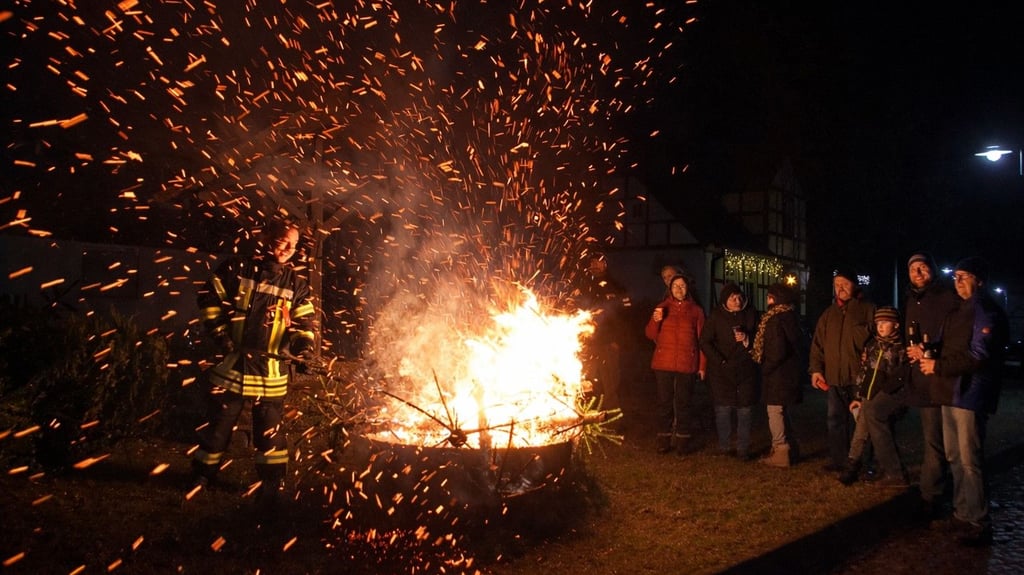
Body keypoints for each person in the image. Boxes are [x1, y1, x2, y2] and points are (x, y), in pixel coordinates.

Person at [190, 218, 317, 508]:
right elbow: (209, 300)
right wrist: (221, 336)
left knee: (269, 434)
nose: (288, 249)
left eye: (294, 245)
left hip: (271, 375)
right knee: (218, 427)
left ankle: (271, 483)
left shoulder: (296, 284)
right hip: (232, 368)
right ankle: (202, 476)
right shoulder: (236, 269)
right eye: (283, 240)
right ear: (266, 237)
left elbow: (303, 323)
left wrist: (304, 350)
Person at [918, 257, 1008, 546]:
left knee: (970, 459)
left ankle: (979, 522)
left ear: (979, 280)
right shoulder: (955, 311)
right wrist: (927, 350)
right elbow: (943, 344)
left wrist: (938, 366)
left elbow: (979, 356)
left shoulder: (986, 311)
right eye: (955, 276)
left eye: (964, 276)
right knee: (955, 456)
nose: (957, 282)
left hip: (970, 393)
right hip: (949, 391)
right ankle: (961, 512)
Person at [902, 251, 958, 520]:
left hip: (943, 378)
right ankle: (935, 492)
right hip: (922, 379)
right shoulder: (912, 300)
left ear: (932, 271)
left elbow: (953, 335)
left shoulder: (946, 298)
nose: (919, 273)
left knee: (942, 443)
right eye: (914, 269)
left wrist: (929, 349)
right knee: (933, 439)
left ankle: (931, 497)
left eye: (923, 267)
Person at [809, 269, 876, 471]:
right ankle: (839, 460)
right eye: (837, 283)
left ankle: (863, 461)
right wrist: (816, 370)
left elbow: (878, 339)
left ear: (854, 285)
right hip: (835, 378)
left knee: (863, 422)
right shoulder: (829, 314)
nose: (840, 288)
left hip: (859, 378)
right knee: (835, 420)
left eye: (844, 283)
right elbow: (817, 345)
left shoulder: (867, 309)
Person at [837, 306, 910, 487]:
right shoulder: (872, 345)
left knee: (874, 429)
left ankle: (858, 465)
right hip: (869, 396)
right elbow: (864, 372)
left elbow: (902, 375)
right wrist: (858, 395)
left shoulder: (901, 348)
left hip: (888, 396)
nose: (881, 326)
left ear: (896, 325)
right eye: (878, 323)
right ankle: (862, 464)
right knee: (863, 429)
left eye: (885, 322)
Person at [646, 273, 706, 455]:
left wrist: (702, 366)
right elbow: (650, 334)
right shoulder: (662, 307)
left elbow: (702, 340)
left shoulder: (696, 311)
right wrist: (656, 321)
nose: (679, 289)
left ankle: (682, 442)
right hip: (663, 363)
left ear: (688, 289)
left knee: (683, 403)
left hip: (687, 363)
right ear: (670, 289)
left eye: (682, 286)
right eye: (676, 286)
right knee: (664, 403)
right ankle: (663, 440)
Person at [699, 283, 759, 459]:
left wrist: (748, 339)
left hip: (746, 369)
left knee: (745, 410)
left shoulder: (751, 314)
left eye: (739, 297)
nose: (737, 300)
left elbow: (761, 337)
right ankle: (725, 446)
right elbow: (705, 341)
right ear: (725, 299)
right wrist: (720, 360)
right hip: (722, 371)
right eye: (733, 297)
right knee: (723, 410)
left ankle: (743, 449)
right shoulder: (717, 317)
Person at [751, 283, 804, 467]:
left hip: (777, 375)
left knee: (774, 411)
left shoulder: (775, 319)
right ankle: (792, 449)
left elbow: (777, 350)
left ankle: (780, 449)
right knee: (782, 410)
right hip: (789, 374)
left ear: (773, 298)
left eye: (768, 297)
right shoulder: (792, 316)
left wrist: (765, 368)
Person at [579, 253, 631, 421]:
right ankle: (585, 420)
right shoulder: (583, 285)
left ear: (605, 264)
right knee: (585, 384)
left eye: (598, 262)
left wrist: (617, 341)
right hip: (587, 344)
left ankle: (613, 422)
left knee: (610, 385)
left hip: (608, 344)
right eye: (591, 262)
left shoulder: (617, 287)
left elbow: (625, 317)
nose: (594, 265)